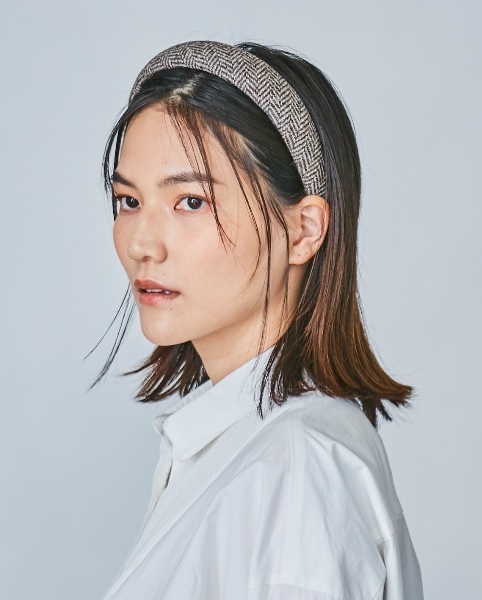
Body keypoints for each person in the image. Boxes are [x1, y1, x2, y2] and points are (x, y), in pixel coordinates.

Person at [94, 40, 424, 599]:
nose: (141, 244)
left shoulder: (294, 469)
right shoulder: (247, 447)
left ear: (303, 230)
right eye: (129, 201)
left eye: (191, 202)